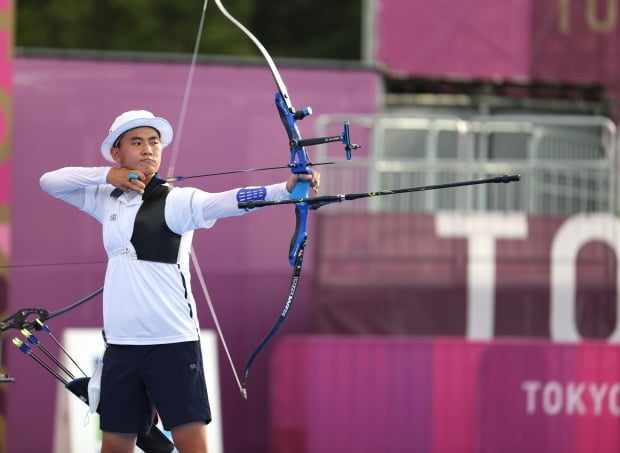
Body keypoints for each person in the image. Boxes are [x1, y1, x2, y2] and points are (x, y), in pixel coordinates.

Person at [39, 109, 320, 453]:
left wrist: (286, 189)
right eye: (137, 142)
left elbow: (229, 201)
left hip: (171, 342)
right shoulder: (105, 199)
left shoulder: (177, 201)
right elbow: (50, 181)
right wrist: (109, 175)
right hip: (121, 344)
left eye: (154, 142)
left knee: (190, 440)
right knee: (114, 442)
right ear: (117, 153)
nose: (148, 150)